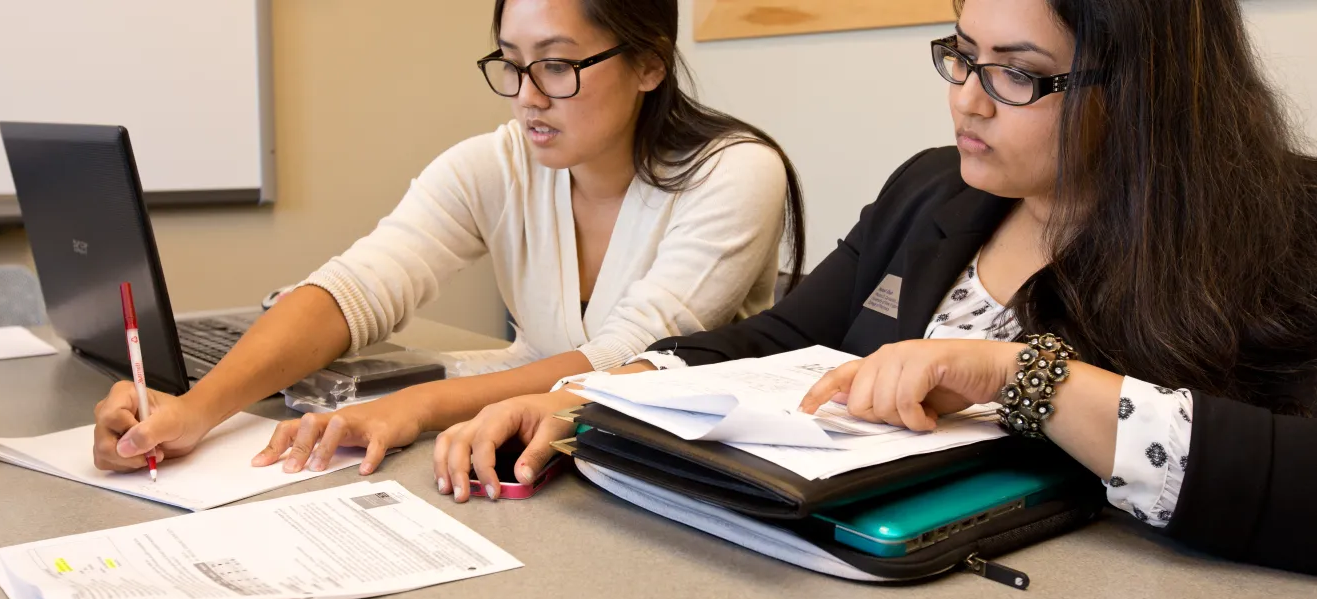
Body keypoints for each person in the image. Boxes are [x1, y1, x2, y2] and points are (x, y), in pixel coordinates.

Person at [443, 0, 1317, 575]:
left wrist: (1027, 380)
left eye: (1015, 73)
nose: (967, 102)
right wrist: (591, 401)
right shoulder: (934, 192)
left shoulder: (1282, 228)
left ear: (1142, 92)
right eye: (961, 56)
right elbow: (773, 339)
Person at [90, 0, 809, 496]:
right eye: (511, 63)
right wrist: (195, 410)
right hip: (531, 459)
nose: (527, 96)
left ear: (650, 65)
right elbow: (359, 286)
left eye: (558, 66)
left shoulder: (735, 173)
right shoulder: (497, 163)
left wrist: (418, 405)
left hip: (678, 489)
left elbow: (622, 361)